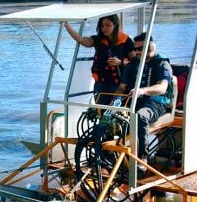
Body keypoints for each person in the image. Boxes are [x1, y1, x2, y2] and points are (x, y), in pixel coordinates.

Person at [118, 33, 172, 165]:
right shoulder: (133, 64)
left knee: (140, 116)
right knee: (110, 115)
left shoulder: (162, 63)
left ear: (151, 48)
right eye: (136, 49)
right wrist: (113, 103)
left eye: (141, 48)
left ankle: (142, 157)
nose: (137, 52)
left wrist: (143, 90)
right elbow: (121, 87)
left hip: (155, 102)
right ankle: (109, 154)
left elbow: (162, 88)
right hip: (134, 100)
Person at [63, 15, 135, 105]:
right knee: (100, 110)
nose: (104, 28)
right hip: (101, 83)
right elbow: (81, 40)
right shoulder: (97, 40)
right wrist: (67, 25)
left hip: (119, 84)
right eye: (102, 26)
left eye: (108, 25)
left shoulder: (127, 41)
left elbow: (135, 62)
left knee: (116, 110)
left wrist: (120, 62)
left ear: (115, 25)